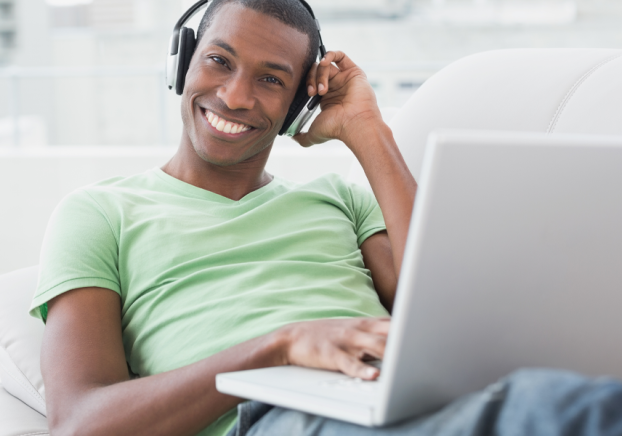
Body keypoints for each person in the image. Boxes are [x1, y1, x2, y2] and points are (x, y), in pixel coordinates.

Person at [28, 1, 622, 435]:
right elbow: (80, 422)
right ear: (181, 62)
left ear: (298, 103)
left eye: (271, 80)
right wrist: (281, 347)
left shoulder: (339, 197)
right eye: (218, 61)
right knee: (566, 412)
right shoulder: (99, 212)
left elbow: (452, 310)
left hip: (399, 400)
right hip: (272, 418)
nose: (236, 97)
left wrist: (368, 131)